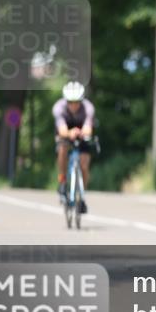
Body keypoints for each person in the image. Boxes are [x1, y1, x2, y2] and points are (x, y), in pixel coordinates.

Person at [53, 81, 96, 213]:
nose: (73, 105)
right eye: (70, 102)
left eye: (77, 102)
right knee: (62, 149)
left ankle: (82, 195)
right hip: (66, 132)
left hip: (82, 134)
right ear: (66, 101)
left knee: (84, 164)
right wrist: (69, 133)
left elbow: (88, 128)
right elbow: (61, 129)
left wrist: (82, 133)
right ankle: (62, 180)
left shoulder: (88, 108)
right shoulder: (59, 107)